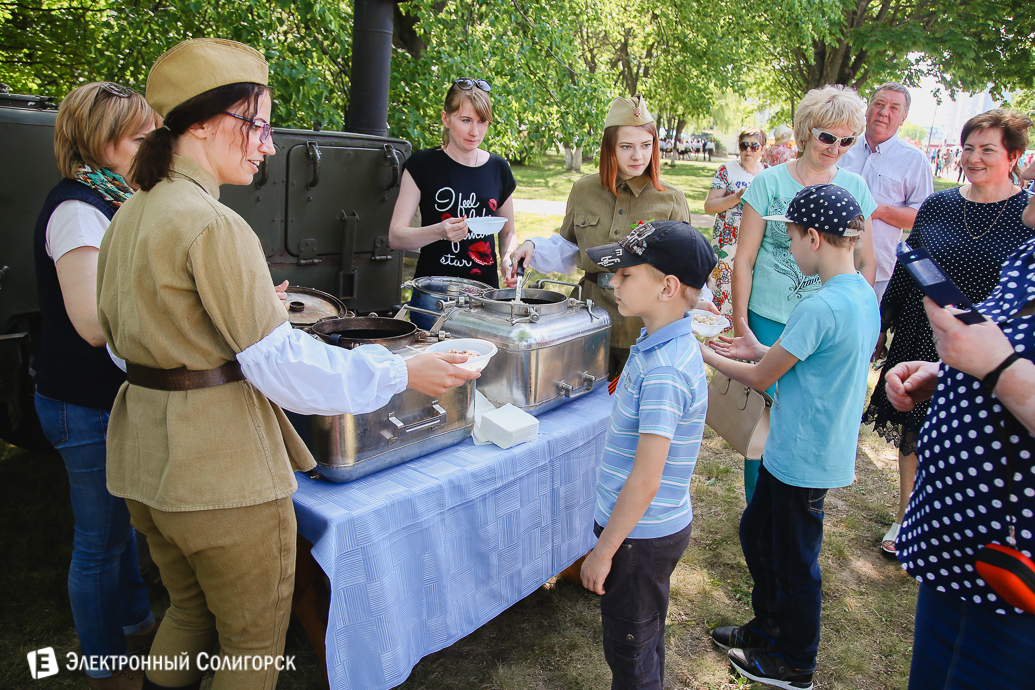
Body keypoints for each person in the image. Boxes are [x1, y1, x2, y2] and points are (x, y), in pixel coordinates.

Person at [95, 39, 478, 690]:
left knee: (188, 611)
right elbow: (280, 367)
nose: (268, 146)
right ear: (203, 123)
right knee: (249, 643)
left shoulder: (129, 216)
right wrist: (403, 372)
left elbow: (119, 342)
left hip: (140, 464)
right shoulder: (213, 225)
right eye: (259, 125)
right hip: (217, 478)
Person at [703, 185, 880, 690]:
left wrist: (704, 355)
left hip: (804, 453)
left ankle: (795, 661)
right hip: (800, 446)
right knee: (757, 535)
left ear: (815, 238)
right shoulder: (859, 295)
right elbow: (799, 360)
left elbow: (762, 378)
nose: (789, 249)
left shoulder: (820, 306)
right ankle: (770, 626)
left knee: (797, 562)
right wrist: (755, 346)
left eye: (791, 238)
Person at [32, 82, 159, 690]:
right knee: (99, 543)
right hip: (80, 404)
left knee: (121, 529)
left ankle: (136, 624)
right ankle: (107, 665)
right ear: (102, 143)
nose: (152, 146)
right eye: (140, 137)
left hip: (105, 399)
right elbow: (90, 324)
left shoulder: (114, 200)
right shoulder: (78, 210)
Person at [864, 109, 1035, 558]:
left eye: (987, 150)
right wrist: (882, 323)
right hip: (923, 335)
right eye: (968, 148)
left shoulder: (1027, 216)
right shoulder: (938, 205)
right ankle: (907, 516)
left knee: (968, 438)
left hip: (989, 345)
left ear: (1014, 156)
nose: (973, 158)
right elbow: (908, 269)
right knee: (915, 430)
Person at [886, 182, 1035, 688]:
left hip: (1016, 577)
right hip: (957, 546)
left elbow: (1007, 361)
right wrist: (949, 374)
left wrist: (993, 366)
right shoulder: (1029, 254)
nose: (1032, 165)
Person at [578, 220, 715, 690]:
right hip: (649, 531)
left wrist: (603, 551)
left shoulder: (665, 371)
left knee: (629, 652)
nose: (613, 281)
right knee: (644, 637)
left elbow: (646, 479)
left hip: (638, 538)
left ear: (667, 287)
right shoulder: (662, 342)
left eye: (627, 274)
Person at [732, 84, 877, 502]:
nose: (836, 147)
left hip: (828, 323)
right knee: (762, 418)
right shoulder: (769, 182)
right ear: (806, 131)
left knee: (809, 415)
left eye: (847, 140)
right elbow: (745, 258)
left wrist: (855, 313)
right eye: (827, 136)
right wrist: (741, 322)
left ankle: (796, 502)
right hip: (769, 316)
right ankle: (759, 506)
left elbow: (867, 263)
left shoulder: (856, 189)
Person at [510, 95, 693, 378]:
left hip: (645, 324)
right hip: (589, 316)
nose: (638, 156)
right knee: (581, 398)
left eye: (646, 146)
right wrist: (533, 245)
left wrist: (700, 301)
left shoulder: (671, 199)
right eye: (627, 147)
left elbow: (686, 266)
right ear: (610, 148)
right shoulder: (584, 190)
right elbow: (570, 247)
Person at [388, 78, 517, 329]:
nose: (475, 132)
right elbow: (396, 236)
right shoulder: (422, 165)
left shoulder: (498, 169)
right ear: (446, 119)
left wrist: (507, 260)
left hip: (485, 298)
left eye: (482, 122)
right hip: (431, 298)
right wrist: (439, 230)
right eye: (466, 120)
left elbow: (508, 231)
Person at [841, 82, 934, 305]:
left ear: (904, 117)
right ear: (868, 108)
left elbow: (922, 218)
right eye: (879, 104)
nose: (884, 112)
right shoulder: (841, 147)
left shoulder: (914, 160)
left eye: (894, 108)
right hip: (827, 263)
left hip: (879, 272)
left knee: (869, 337)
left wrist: (881, 211)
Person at [704, 128, 767, 331]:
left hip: (754, 242)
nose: (748, 150)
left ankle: (743, 338)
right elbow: (709, 206)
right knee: (721, 291)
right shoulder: (727, 170)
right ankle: (715, 340)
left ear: (763, 150)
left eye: (754, 146)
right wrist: (737, 196)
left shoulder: (767, 174)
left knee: (747, 292)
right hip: (727, 244)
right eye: (744, 145)